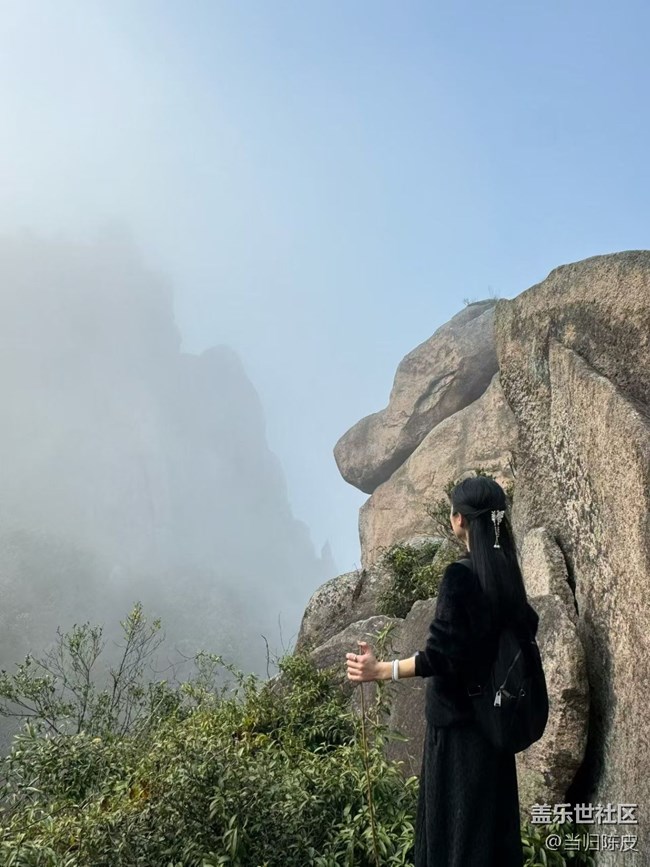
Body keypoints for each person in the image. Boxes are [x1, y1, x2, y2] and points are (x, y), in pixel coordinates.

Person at [345, 475, 539, 867]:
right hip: (495, 730)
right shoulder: (508, 576)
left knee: (454, 841)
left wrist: (380, 669)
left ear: (459, 519)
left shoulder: (461, 577)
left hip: (458, 735)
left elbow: (442, 657)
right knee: (490, 838)